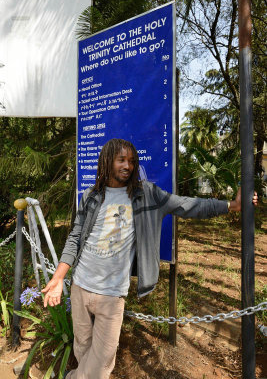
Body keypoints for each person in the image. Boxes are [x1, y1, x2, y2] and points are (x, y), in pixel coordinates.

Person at [42, 138, 258, 379]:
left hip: (112, 294)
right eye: (121, 160)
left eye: (132, 161)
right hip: (81, 285)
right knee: (82, 348)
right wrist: (59, 277)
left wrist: (232, 205)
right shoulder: (91, 196)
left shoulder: (146, 194)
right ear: (106, 161)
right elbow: (74, 237)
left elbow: (188, 206)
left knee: (100, 365)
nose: (128, 166)